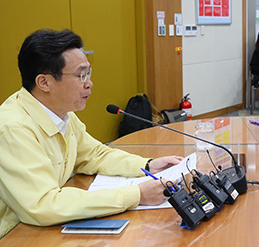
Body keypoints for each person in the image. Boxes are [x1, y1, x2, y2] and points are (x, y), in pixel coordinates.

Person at [0, 29, 182, 238]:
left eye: (89, 73)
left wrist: (147, 165)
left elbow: (94, 155)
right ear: (44, 83)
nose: (89, 83)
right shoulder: (13, 129)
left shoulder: (61, 113)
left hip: (47, 225)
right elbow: (42, 205)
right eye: (81, 75)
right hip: (16, 234)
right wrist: (136, 194)